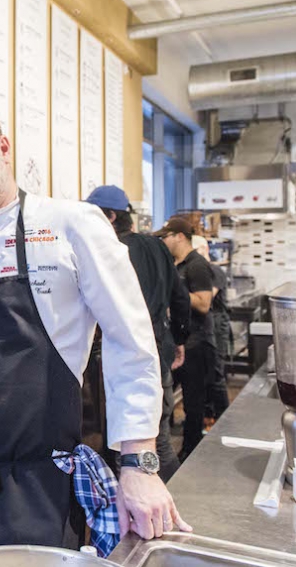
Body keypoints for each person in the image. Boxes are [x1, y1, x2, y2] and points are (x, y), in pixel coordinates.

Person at [0, 104, 190, 562]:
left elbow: (132, 342)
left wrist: (139, 463)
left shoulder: (71, 225)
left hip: (32, 488)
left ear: (3, 148)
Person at [85, 185, 190, 482]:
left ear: (110, 216)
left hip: (125, 357)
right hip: (160, 348)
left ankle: (153, 506)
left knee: (132, 445)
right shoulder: (157, 246)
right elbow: (179, 297)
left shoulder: (110, 252)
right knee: (161, 437)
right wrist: (180, 341)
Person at [155, 218, 228, 460]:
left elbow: (204, 303)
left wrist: (176, 295)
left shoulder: (196, 265)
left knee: (193, 401)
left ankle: (191, 451)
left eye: (165, 237)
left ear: (179, 236)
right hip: (178, 341)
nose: (163, 242)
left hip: (197, 343)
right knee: (167, 396)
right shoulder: (175, 265)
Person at [193, 236, 232, 431]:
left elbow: (207, 297)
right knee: (204, 374)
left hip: (216, 326)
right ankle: (207, 416)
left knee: (216, 374)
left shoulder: (214, 271)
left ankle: (224, 419)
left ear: (204, 250)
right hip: (204, 327)